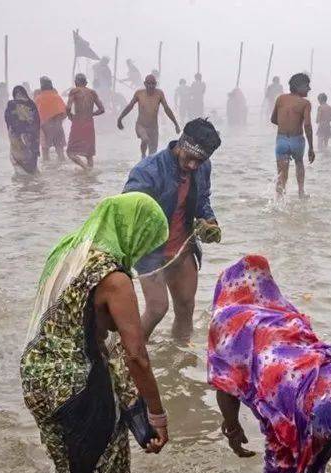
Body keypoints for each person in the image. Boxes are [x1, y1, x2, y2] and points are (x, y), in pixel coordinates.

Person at [21, 193, 170, 473]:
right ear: (134, 231)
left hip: (39, 378)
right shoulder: (114, 279)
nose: (147, 252)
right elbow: (136, 356)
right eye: (148, 240)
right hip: (75, 386)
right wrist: (156, 416)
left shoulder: (68, 251)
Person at [208, 255, 331, 473]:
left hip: (306, 407)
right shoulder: (284, 312)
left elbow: (225, 385)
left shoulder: (228, 320)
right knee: (309, 470)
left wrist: (232, 428)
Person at [124, 118, 222, 340]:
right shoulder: (147, 172)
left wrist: (209, 221)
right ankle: (128, 355)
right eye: (190, 159)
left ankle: (177, 362)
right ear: (182, 143)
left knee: (186, 307)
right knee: (157, 308)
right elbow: (127, 213)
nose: (193, 166)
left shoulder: (202, 166)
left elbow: (203, 200)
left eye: (200, 161)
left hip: (183, 248)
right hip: (150, 252)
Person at [271, 72, 315, 197]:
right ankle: (301, 192)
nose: (309, 89)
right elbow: (307, 125)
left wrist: (285, 123)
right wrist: (311, 147)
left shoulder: (281, 99)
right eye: (307, 86)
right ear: (298, 86)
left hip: (282, 140)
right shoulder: (305, 103)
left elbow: (273, 119)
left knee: (281, 174)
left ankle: (279, 198)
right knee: (299, 163)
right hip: (297, 140)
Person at [117, 74, 181, 158]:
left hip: (153, 127)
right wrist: (120, 118)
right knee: (145, 139)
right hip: (141, 125)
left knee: (153, 153)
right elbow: (130, 106)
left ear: (156, 84)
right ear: (145, 84)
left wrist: (175, 124)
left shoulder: (159, 93)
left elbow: (167, 109)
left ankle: (148, 166)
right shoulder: (139, 93)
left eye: (153, 84)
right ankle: (143, 156)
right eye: (149, 83)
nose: (151, 86)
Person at [66, 73, 104, 170]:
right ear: (86, 83)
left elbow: (68, 107)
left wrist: (70, 116)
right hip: (89, 123)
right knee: (89, 154)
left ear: (75, 82)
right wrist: (92, 114)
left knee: (70, 152)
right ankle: (90, 173)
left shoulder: (74, 91)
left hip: (78, 123)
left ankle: (85, 168)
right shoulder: (92, 92)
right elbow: (102, 110)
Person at [5, 85, 40, 174]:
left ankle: (26, 184)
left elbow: (8, 120)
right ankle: (36, 183)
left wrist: (14, 131)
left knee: (19, 165)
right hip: (31, 136)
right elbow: (37, 121)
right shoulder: (31, 103)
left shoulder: (11, 104)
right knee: (32, 163)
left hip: (18, 137)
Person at [34, 77, 67, 164]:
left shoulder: (38, 98)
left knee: (45, 153)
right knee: (60, 152)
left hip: (45, 128)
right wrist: (58, 121)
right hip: (57, 126)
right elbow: (65, 112)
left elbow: (34, 115)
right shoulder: (57, 97)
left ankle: (48, 173)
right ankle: (63, 169)